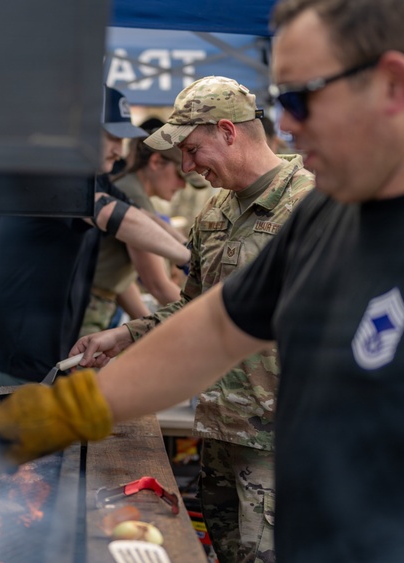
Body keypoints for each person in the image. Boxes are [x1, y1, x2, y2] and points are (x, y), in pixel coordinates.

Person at [0, 1, 404, 561]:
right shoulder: (330, 211)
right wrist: (72, 410)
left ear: (393, 85)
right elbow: (215, 328)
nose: (285, 126)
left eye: (300, 99)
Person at [72, 76, 315, 563]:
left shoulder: (311, 205)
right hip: (220, 435)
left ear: (228, 131)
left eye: (191, 150)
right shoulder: (215, 212)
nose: (187, 167)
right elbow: (194, 308)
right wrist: (126, 334)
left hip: (280, 442)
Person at [0, 87, 192, 388]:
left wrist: (191, 249)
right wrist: (188, 258)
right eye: (113, 138)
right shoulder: (54, 172)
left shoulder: (93, 178)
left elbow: (142, 215)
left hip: (41, 358)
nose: (120, 150)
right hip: (10, 358)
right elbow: (114, 216)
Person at [79, 130, 188, 337]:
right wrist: (210, 316)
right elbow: (158, 285)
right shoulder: (134, 194)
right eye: (180, 175)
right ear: (156, 162)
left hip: (95, 304)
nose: (183, 185)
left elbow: (120, 281)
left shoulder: (131, 189)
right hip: (88, 305)